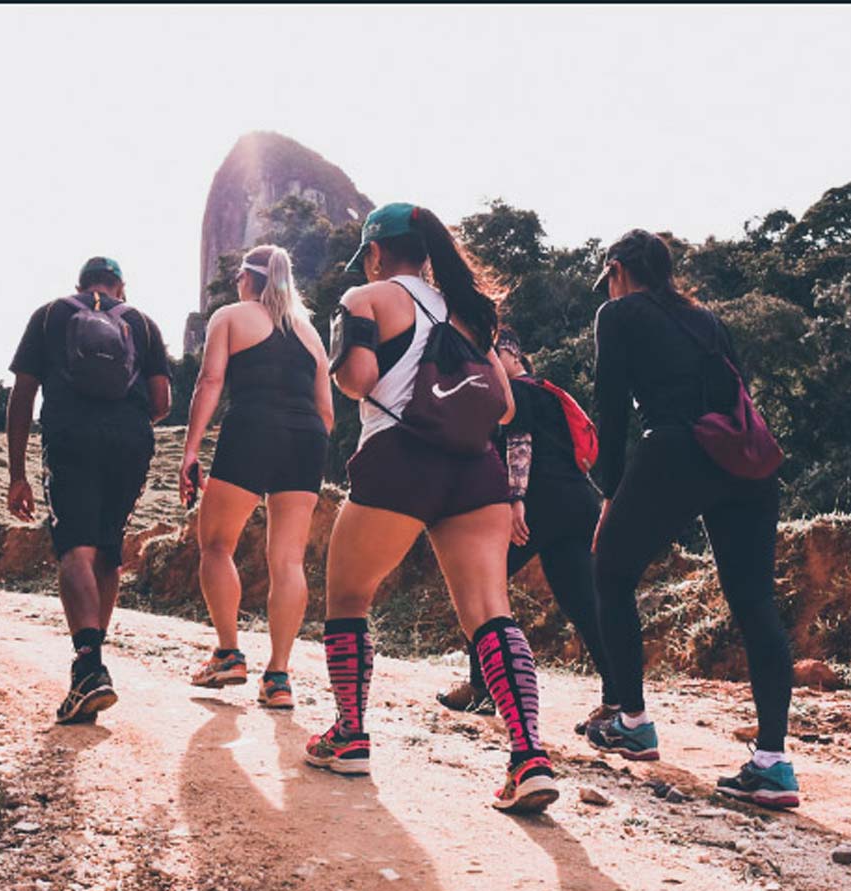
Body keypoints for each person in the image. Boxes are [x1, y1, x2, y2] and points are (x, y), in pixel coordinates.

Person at [306, 202, 559, 814]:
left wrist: (345, 359)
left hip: (400, 460)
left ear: (374, 253)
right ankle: (528, 756)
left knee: (347, 597)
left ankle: (351, 735)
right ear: (425, 251)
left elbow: (359, 380)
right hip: (475, 469)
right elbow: (504, 408)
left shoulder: (365, 299)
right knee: (489, 612)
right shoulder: (470, 317)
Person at [587, 229, 799, 809]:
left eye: (609, 277)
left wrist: (610, 496)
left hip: (677, 448)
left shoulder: (618, 313)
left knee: (609, 572)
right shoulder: (707, 320)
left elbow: (611, 411)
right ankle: (773, 764)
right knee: (754, 602)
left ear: (618, 269)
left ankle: (632, 720)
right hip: (745, 460)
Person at [7, 256, 172, 725]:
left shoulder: (49, 314)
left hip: (70, 436)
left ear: (78, 285)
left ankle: (88, 666)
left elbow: (22, 395)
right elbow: (161, 402)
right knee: (107, 550)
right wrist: (126, 414)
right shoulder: (141, 322)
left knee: (74, 550)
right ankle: (92, 663)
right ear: (121, 287)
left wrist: (17, 473)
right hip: (130, 442)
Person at [437, 329, 620, 734]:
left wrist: (515, 497)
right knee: (584, 604)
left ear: (511, 354)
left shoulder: (516, 390)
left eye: (488, 356)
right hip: (578, 502)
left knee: (480, 583)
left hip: (540, 501)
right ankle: (617, 700)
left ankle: (482, 688)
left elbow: (519, 442)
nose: (483, 365)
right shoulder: (547, 392)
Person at [180, 245, 334, 709]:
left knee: (216, 544)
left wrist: (190, 451)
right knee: (287, 561)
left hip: (253, 427)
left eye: (238, 279)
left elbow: (210, 382)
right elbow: (327, 412)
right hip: (306, 438)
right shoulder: (309, 333)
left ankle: (228, 653)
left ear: (248, 279)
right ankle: (279, 678)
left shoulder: (231, 316)